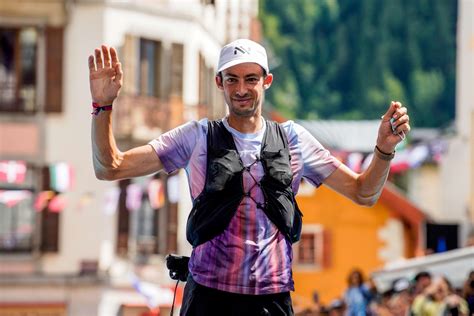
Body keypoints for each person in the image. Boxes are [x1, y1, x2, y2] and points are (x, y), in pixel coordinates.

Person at [88, 39, 410, 315]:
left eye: (251, 79)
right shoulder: (197, 137)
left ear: (266, 81)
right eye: (232, 80)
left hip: (271, 299)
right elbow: (110, 167)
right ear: (219, 82)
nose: (241, 89)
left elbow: (363, 192)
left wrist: (383, 150)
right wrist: (103, 106)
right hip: (209, 297)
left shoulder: (293, 139)